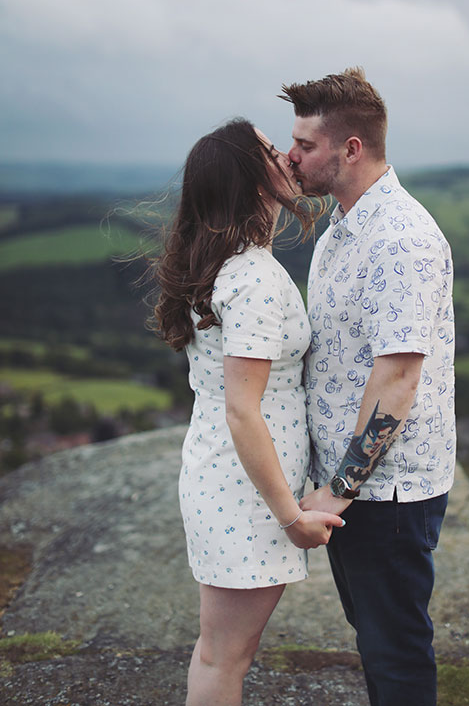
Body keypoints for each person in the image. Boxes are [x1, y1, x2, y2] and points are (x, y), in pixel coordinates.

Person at [151, 118, 344, 706]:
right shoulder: (254, 278)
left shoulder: (227, 264)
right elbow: (243, 411)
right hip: (247, 494)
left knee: (220, 650)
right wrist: (291, 517)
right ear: (246, 178)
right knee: (223, 656)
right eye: (268, 150)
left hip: (229, 481)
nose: (286, 155)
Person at [281, 68, 456, 706]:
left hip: (386, 490)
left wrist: (340, 489)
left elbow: (398, 379)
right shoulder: (341, 227)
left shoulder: (400, 239)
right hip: (355, 488)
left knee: (395, 647)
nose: (290, 156)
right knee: (374, 634)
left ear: (350, 149)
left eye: (304, 145)